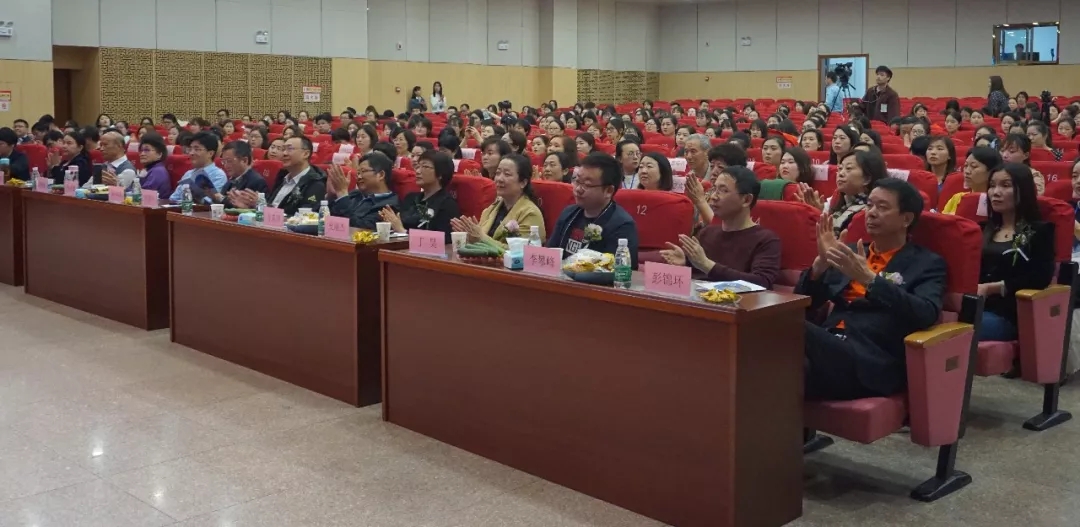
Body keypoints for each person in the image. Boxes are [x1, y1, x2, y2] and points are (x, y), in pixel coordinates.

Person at [799, 177, 945, 400]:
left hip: (869, 361)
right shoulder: (851, 252)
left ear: (906, 219)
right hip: (826, 346)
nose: (871, 213)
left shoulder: (926, 263)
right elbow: (804, 304)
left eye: (882, 207)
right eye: (869, 205)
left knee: (784, 327)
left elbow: (925, 313)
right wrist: (820, 266)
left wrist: (869, 279)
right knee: (781, 366)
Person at [658, 166, 781, 288]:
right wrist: (686, 262)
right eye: (714, 189)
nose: (713, 197)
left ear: (746, 200)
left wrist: (706, 264)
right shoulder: (707, 233)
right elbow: (699, 273)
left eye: (723, 191)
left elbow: (762, 282)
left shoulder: (765, 240)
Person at [977, 163, 1055, 341]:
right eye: (992, 185)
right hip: (976, 306)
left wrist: (991, 288)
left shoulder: (1038, 231)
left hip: (1009, 313)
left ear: (1023, 190)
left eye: (1005, 185)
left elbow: (1040, 277)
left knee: (963, 328)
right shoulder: (983, 229)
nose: (995, 192)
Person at [547, 153, 639, 268]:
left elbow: (620, 272)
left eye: (587, 184)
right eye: (577, 181)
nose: (578, 189)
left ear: (609, 191)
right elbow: (549, 254)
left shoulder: (622, 226)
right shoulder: (568, 213)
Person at [451, 154, 544, 248]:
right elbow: (479, 240)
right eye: (498, 173)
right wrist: (469, 236)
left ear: (523, 182)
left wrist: (481, 238)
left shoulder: (530, 213)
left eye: (507, 174)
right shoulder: (491, 209)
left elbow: (521, 251)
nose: (499, 179)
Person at [379, 150, 459, 240]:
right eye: (417, 166)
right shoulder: (410, 198)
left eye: (425, 167)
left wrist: (402, 231)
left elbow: (443, 241)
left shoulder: (447, 204)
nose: (417, 171)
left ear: (440, 174)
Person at [328, 151, 396, 229]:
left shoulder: (389, 205)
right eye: (358, 173)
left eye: (363, 171)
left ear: (381, 175)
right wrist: (331, 196)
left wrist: (342, 194)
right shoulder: (355, 194)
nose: (359, 177)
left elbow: (360, 229)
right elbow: (320, 217)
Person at [168, 132, 227, 203]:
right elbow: (173, 198)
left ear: (210, 153)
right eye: (190, 149)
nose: (191, 153)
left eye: (197, 149)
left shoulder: (218, 175)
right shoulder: (188, 173)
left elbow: (211, 202)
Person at [941, 147, 1002, 215]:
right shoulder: (957, 198)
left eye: (974, 166)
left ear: (991, 172)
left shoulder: (997, 201)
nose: (967, 171)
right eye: (966, 166)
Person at [211, 141, 268, 208]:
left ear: (244, 160)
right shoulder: (233, 178)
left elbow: (241, 207)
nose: (226, 166)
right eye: (224, 162)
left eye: (229, 161)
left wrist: (220, 198)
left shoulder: (256, 182)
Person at [134, 134, 172, 199]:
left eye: (147, 150)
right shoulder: (148, 169)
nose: (142, 154)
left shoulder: (158, 171)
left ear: (159, 154)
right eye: (141, 150)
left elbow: (142, 196)